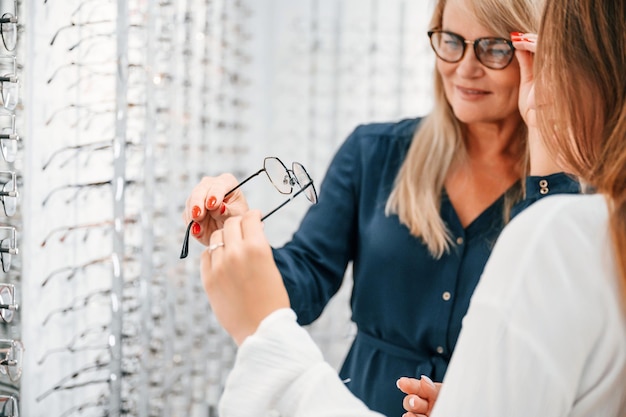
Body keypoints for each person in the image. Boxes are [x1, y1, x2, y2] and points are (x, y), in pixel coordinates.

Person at [199, 0, 626, 414]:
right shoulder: (373, 153)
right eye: (451, 41)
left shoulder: (571, 196)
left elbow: (553, 326)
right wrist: (239, 241)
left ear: (535, 52)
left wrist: (546, 134)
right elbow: (304, 281)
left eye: (494, 48)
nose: (465, 67)